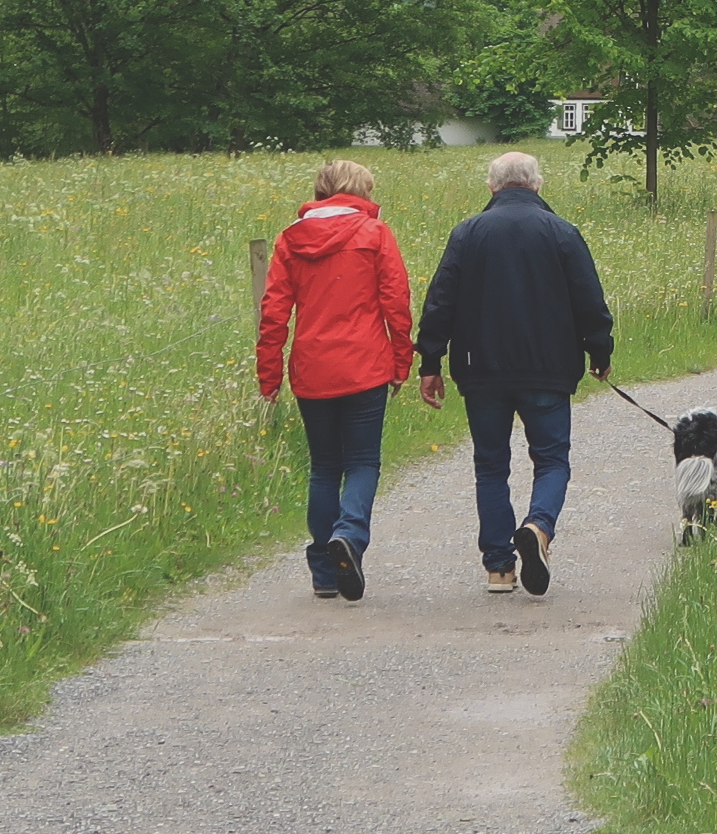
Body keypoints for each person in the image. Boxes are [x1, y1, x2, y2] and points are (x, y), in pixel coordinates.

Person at [416, 149, 614, 595]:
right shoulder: (562, 232)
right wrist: (599, 351)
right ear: (537, 184)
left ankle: (499, 567)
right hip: (548, 368)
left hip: (481, 369)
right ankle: (539, 527)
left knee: (490, 465)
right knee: (551, 459)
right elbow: (589, 301)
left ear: (492, 187)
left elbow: (440, 302)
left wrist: (430, 362)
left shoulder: (467, 233)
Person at [255, 159, 416, 603]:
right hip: (365, 364)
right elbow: (395, 301)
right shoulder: (374, 234)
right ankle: (348, 534)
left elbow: (273, 313)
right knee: (363, 461)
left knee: (325, 467)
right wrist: (402, 360)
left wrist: (269, 378)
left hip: (312, 368)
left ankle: (325, 573)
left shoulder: (291, 238)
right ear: (362, 191)